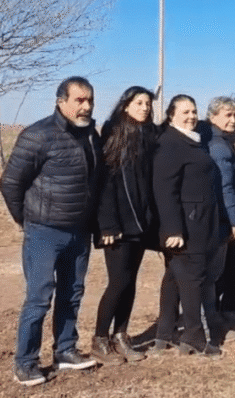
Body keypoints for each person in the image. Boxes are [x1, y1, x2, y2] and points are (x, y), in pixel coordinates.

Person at [0, 76, 102, 386]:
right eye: (79, 100)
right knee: (39, 298)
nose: (85, 106)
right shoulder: (38, 135)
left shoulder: (91, 136)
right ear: (61, 102)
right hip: (44, 231)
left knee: (72, 294)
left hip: (79, 232)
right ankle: (26, 362)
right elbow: (10, 183)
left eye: (89, 100)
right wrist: (26, 219)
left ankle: (66, 350)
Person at [91, 86, 159, 366]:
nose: (144, 107)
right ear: (125, 105)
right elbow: (104, 185)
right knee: (117, 282)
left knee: (130, 282)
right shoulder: (113, 133)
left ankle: (121, 334)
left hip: (141, 223)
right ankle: (99, 339)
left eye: (147, 103)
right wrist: (107, 225)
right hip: (118, 224)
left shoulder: (149, 135)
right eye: (138, 102)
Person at [151, 94, 224, 357]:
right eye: (185, 112)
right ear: (171, 115)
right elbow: (164, 189)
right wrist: (172, 230)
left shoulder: (188, 140)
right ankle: (193, 336)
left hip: (196, 221)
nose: (192, 116)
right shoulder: (170, 143)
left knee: (173, 278)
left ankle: (165, 333)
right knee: (193, 279)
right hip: (186, 226)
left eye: (194, 111)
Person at [205, 96, 235, 329]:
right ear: (213, 117)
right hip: (222, 219)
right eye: (228, 115)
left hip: (219, 217)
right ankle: (210, 320)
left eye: (234, 115)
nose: (234, 120)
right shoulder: (219, 146)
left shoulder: (220, 140)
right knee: (213, 274)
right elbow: (226, 187)